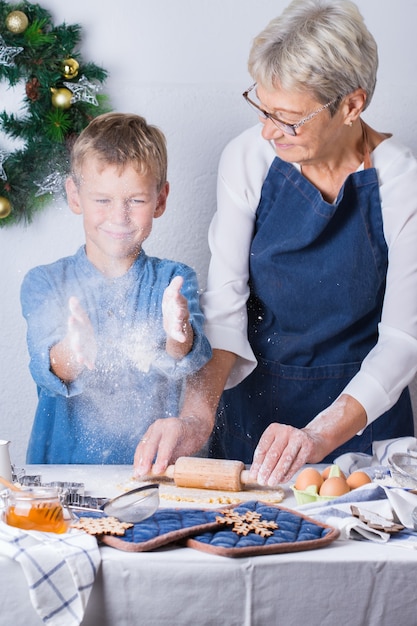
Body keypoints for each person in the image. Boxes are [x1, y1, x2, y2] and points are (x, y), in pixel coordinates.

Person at [134, 0, 417, 485]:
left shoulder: (401, 182)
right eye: (262, 108)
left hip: (363, 424)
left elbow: (402, 342)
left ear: (352, 105)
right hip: (254, 415)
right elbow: (224, 308)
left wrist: (319, 436)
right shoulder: (248, 158)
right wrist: (197, 418)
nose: (267, 131)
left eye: (287, 118)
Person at [21, 112, 211, 464]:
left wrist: (178, 331)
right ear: (75, 196)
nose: (119, 216)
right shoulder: (45, 282)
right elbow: (49, 365)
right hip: (63, 477)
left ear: (161, 199)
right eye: (102, 200)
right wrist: (75, 348)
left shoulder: (174, 280)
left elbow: (184, 355)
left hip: (152, 473)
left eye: (135, 201)